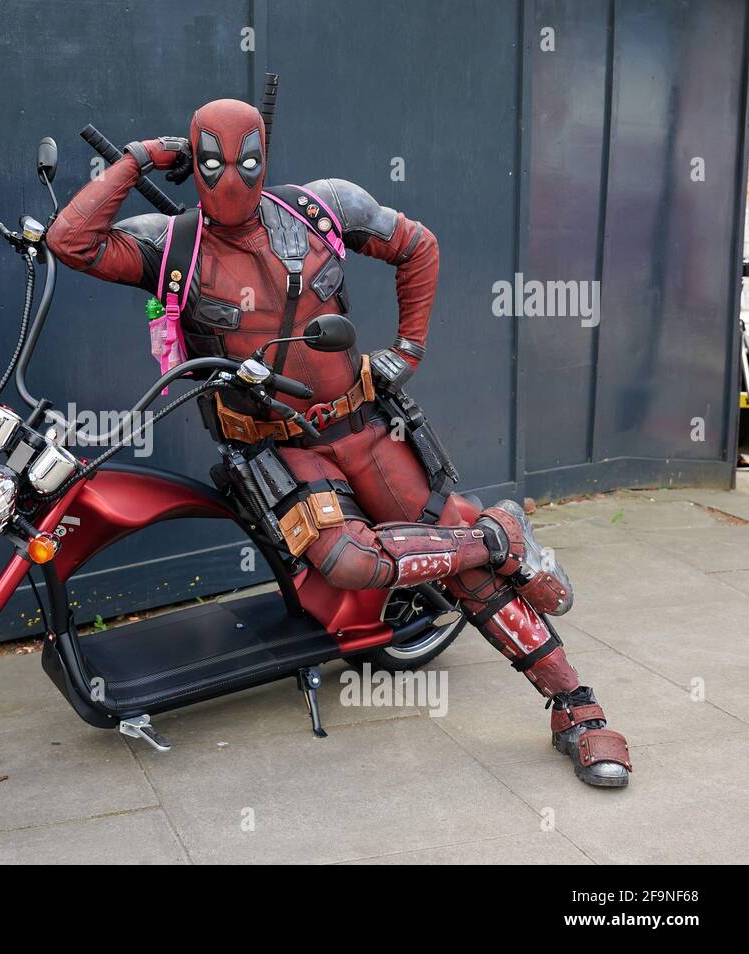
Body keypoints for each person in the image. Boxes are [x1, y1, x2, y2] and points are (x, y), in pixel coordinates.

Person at [45, 98, 631, 787]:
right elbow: (70, 241)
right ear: (192, 162)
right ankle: (500, 536)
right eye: (210, 162)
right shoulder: (169, 246)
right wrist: (140, 157)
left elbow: (418, 246)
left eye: (247, 159)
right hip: (279, 447)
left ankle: (578, 710)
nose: (232, 176)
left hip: (363, 422)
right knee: (352, 562)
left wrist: (407, 349)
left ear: (266, 152)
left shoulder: (321, 210)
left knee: (452, 555)